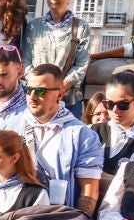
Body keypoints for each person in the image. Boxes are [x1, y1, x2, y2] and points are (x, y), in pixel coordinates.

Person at [11, 63, 102, 212]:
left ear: (59, 95)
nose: (32, 97)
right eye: (28, 90)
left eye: (40, 91)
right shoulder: (9, 127)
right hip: (15, 216)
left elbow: (89, 191)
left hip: (57, 218)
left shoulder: (82, 135)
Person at [26, 0, 93, 102]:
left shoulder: (81, 28)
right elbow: (26, 60)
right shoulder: (33, 26)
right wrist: (38, 87)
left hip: (67, 99)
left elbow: (82, 64)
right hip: (37, 97)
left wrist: (58, 89)